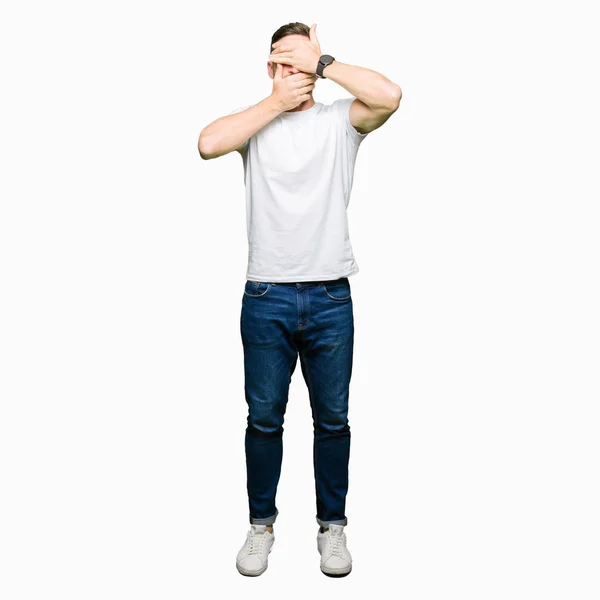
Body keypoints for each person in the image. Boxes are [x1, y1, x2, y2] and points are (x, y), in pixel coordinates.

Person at [197, 22, 401, 577]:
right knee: (264, 419)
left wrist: (324, 61)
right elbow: (208, 144)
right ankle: (260, 526)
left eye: (302, 61)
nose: (297, 73)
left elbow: (390, 97)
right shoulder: (255, 123)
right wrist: (272, 100)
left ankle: (332, 529)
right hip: (266, 295)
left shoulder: (339, 121)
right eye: (283, 62)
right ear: (270, 68)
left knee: (333, 419)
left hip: (331, 296)